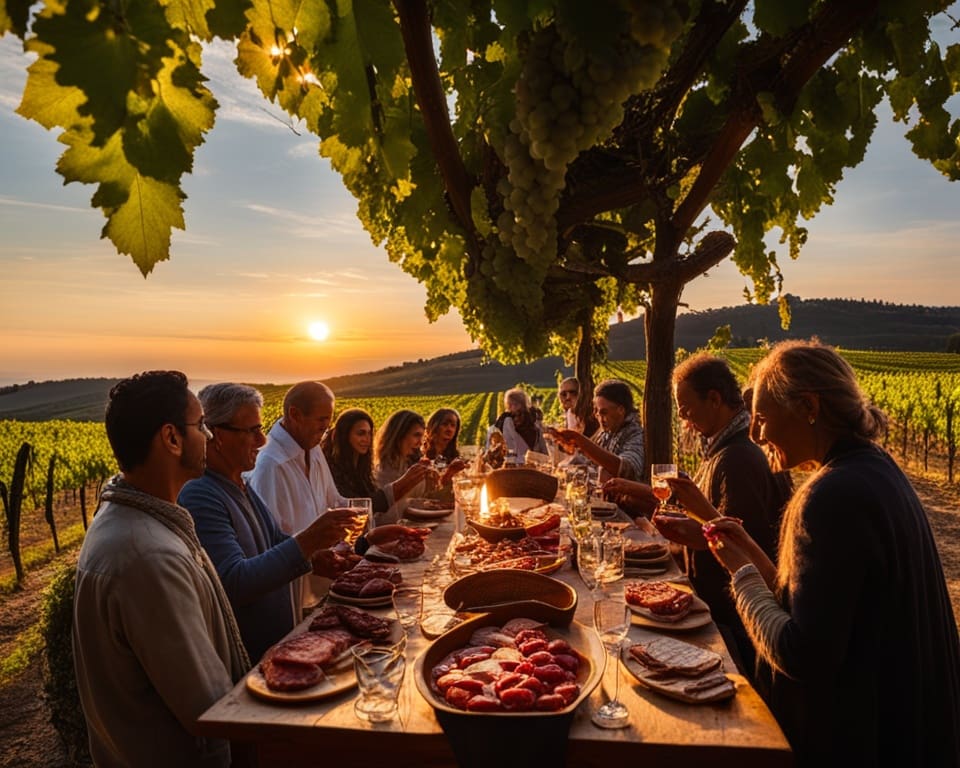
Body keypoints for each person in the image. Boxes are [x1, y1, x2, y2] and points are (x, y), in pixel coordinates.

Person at [670, 340, 960, 765]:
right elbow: (811, 607)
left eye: (764, 418)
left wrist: (742, 576)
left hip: (866, 739)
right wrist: (749, 552)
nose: (755, 434)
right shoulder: (874, 469)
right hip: (913, 727)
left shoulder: (830, 496)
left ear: (809, 406)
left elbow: (801, 654)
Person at [72, 371, 248, 767]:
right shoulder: (149, 557)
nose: (210, 436)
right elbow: (209, 709)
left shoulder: (134, 524)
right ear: (171, 438)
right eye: (201, 425)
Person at [604, 353, 792, 675]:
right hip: (718, 613)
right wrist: (646, 499)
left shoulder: (738, 459)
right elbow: (709, 518)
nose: (681, 416)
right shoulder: (724, 448)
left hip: (731, 625)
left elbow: (738, 548)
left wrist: (691, 536)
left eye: (686, 407)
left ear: (715, 399)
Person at [178, 384, 358, 661]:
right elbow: (234, 582)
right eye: (251, 431)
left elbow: (274, 538)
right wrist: (306, 542)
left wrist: (316, 557)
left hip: (281, 644)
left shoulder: (237, 483)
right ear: (214, 434)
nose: (262, 441)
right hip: (253, 661)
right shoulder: (201, 495)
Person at [246, 381, 346, 617]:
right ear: (295, 415)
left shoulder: (314, 447)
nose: (327, 427)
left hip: (325, 589)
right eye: (322, 419)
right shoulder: (269, 464)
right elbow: (268, 544)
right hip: (294, 600)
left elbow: (334, 501)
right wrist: (311, 553)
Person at [321, 407, 432, 516]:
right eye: (361, 433)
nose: (367, 439)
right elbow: (357, 508)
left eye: (369, 433)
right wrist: (404, 483)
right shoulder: (331, 471)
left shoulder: (362, 469)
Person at [550, 378, 644, 481]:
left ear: (620, 410)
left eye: (604, 412)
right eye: (597, 412)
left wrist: (579, 440)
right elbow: (588, 462)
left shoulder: (635, 433)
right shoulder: (606, 432)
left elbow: (626, 469)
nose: (599, 417)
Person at [374, 409, 436, 523]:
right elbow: (380, 515)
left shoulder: (409, 462)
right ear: (399, 436)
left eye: (422, 437)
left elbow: (418, 500)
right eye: (416, 435)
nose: (420, 442)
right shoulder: (381, 470)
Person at [489, 388, 547, 463]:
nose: (511, 408)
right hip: (515, 467)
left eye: (515, 404)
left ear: (523, 406)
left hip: (533, 466)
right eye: (509, 405)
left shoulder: (534, 425)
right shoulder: (504, 424)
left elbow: (545, 451)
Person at [422, 407, 467, 485]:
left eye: (453, 425)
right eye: (445, 424)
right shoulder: (421, 457)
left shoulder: (455, 458)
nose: (449, 429)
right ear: (434, 426)